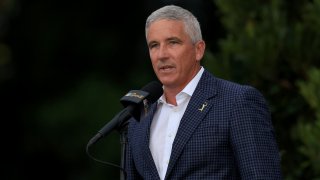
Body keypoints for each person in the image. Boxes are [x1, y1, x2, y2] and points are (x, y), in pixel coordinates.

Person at [125, 5, 282, 180]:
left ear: (198, 49)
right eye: (154, 45)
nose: (161, 54)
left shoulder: (237, 101)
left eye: (173, 42)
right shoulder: (138, 118)